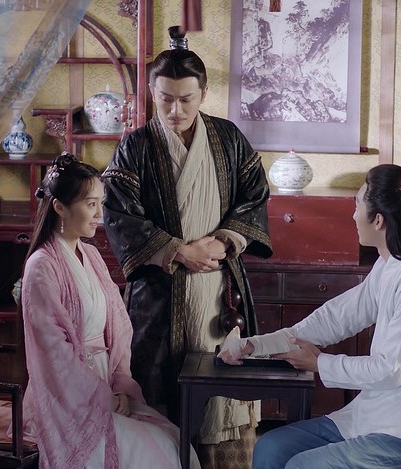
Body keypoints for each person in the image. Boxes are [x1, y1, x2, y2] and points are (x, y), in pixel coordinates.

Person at [219, 164, 401, 468]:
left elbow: (391, 371)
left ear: (378, 220)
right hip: (377, 415)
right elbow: (334, 319)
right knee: (271, 448)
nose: (353, 215)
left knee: (303, 466)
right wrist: (255, 346)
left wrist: (320, 363)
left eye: (357, 205)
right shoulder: (390, 265)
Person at [102, 25, 272, 467]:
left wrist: (224, 242)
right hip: (160, 294)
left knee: (222, 401)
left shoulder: (228, 138)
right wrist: (178, 250)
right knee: (156, 399)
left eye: (186, 99)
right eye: (165, 99)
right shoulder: (135, 147)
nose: (175, 110)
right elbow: (119, 215)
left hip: (219, 289)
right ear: (151, 93)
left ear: (203, 94)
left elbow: (255, 196)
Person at [19, 153, 200, 469]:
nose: (99, 214)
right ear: (59, 207)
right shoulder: (41, 267)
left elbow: (118, 326)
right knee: (150, 452)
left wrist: (119, 386)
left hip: (106, 386)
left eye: (100, 203)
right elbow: (53, 353)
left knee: (172, 439)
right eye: (90, 204)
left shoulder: (91, 255)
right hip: (66, 398)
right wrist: (102, 397)